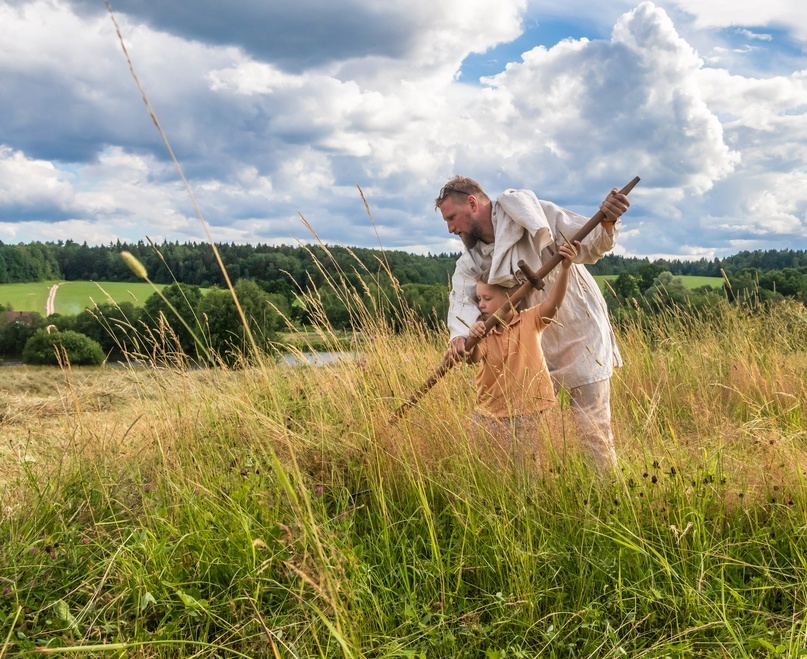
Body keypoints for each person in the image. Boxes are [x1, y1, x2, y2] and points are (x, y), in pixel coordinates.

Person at [435, 176, 630, 472]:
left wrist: (608, 220)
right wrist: (459, 337)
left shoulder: (531, 213)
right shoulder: (472, 261)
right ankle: (540, 498)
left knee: (593, 428)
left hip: (578, 328)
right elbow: (461, 298)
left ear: (472, 203)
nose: (451, 228)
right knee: (526, 433)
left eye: (451, 217)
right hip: (528, 345)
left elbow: (589, 245)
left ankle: (608, 499)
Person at [465, 241, 578, 468]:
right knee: (489, 472)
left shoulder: (529, 320)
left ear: (510, 297)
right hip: (491, 414)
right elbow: (473, 357)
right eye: (479, 299)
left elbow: (554, 303)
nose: (482, 305)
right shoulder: (484, 332)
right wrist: (474, 338)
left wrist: (565, 268)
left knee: (531, 473)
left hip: (532, 412)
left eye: (488, 298)